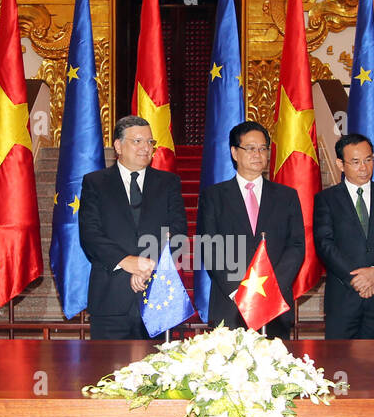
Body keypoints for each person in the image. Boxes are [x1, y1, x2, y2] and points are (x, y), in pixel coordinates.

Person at [79, 115, 188, 339]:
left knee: (159, 371)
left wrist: (148, 267)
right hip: (110, 300)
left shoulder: (168, 183)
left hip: (158, 297)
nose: (145, 148)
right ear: (118, 145)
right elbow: (90, 234)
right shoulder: (95, 183)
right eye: (137, 141)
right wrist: (128, 262)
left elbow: (178, 232)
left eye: (150, 142)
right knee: (107, 372)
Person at [197, 120, 304, 339]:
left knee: (274, 370)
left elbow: (296, 246)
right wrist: (240, 292)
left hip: (274, 304)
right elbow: (209, 247)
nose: (258, 154)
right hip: (230, 303)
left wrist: (269, 289)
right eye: (251, 148)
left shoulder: (287, 196)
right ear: (235, 153)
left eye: (263, 148)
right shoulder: (214, 196)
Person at [313, 131, 374, 339]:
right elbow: (324, 244)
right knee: (340, 367)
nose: (364, 168)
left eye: (368, 160)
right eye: (355, 162)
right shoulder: (326, 199)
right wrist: (357, 279)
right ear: (340, 164)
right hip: (343, 298)